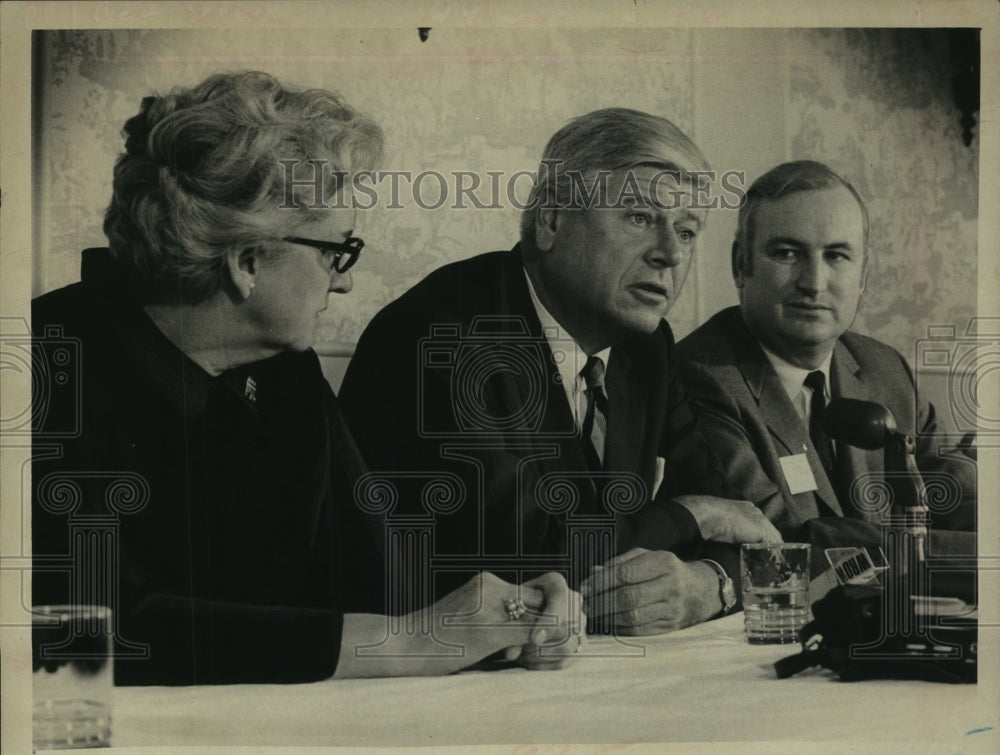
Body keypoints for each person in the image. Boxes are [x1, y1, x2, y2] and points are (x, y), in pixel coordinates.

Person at [31, 71, 582, 686]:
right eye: (334, 252)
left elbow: (377, 567)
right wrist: (412, 641)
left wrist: (514, 608)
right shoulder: (50, 360)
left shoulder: (286, 368)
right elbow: (88, 630)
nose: (344, 280)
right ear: (247, 262)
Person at [339, 108, 781, 638]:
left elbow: (747, 525)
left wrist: (710, 584)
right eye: (640, 218)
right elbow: (522, 558)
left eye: (686, 232)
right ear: (551, 221)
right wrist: (691, 517)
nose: (669, 254)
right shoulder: (439, 334)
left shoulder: (647, 349)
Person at [674, 160, 977, 548]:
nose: (814, 283)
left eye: (836, 256)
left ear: (863, 275)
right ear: (740, 265)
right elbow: (784, 544)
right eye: (787, 253)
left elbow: (950, 490)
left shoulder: (884, 367)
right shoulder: (699, 377)